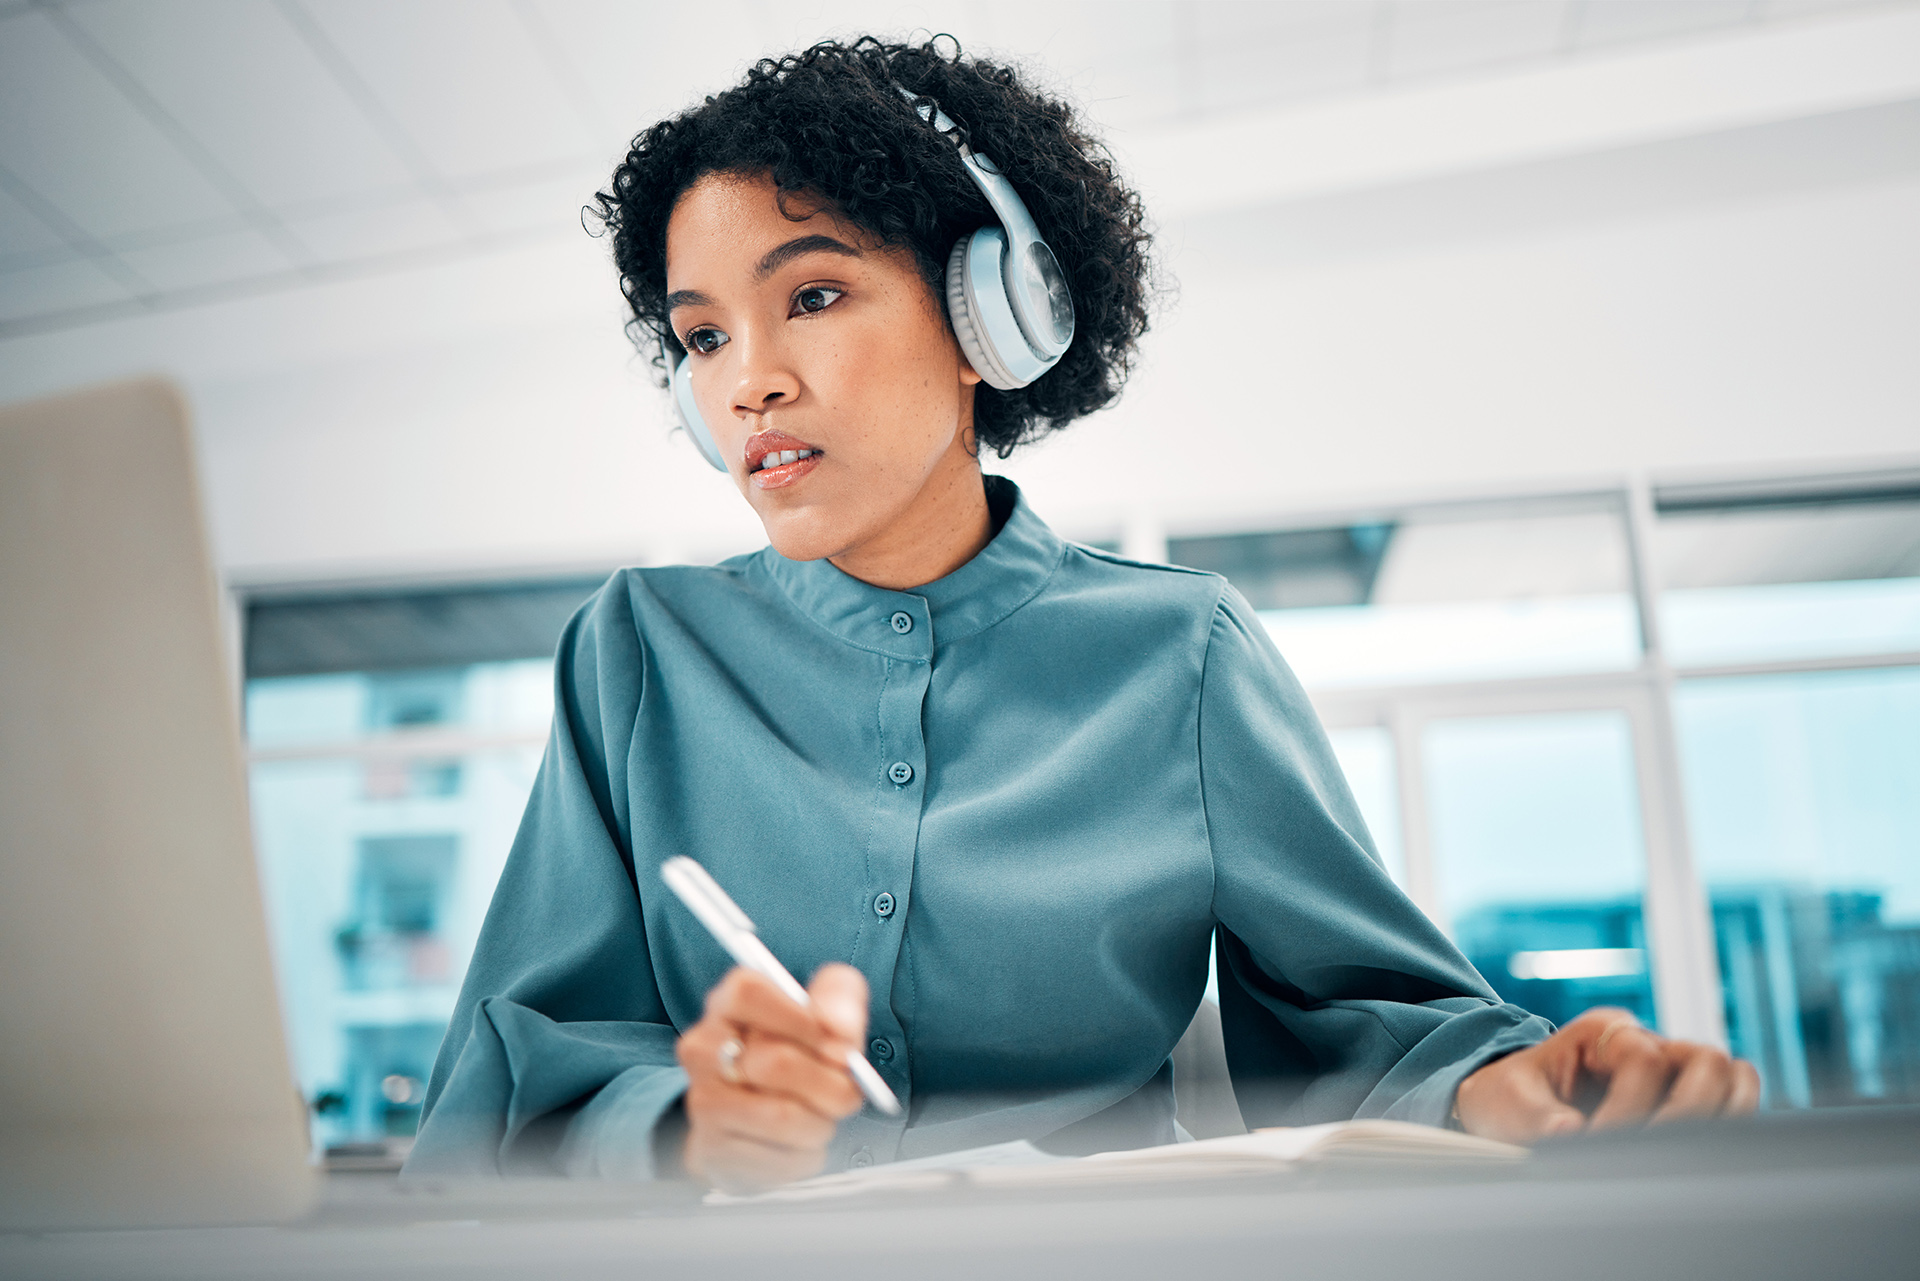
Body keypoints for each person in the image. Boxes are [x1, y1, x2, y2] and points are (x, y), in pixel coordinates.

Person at [406, 37, 1757, 1191]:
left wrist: (1516, 1082)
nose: (748, 381)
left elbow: (1376, 1021)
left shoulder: (1180, 656)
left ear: (987, 316)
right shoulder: (639, 651)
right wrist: (688, 1118)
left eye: (811, 295)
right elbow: (515, 1073)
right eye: (704, 337)